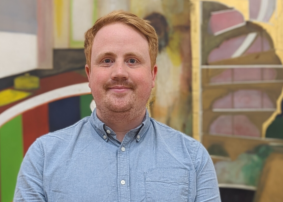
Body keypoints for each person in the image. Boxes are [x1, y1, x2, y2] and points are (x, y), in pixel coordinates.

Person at [14, 10, 220, 201]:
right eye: (107, 60)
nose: (119, 72)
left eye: (132, 60)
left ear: (153, 75)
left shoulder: (193, 158)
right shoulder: (43, 157)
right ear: (89, 74)